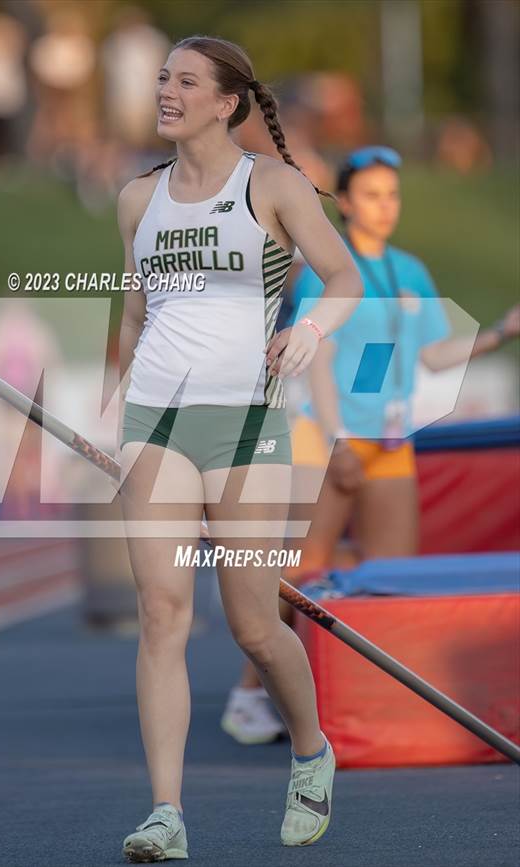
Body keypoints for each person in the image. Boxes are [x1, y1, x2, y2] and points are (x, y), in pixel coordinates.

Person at [115, 36, 362, 861]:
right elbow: (133, 317)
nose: (166, 92)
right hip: (157, 421)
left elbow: (345, 277)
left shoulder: (274, 186)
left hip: (247, 426)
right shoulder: (135, 200)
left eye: (185, 81)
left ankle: (309, 749)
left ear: (227, 102)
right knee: (161, 612)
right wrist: (112, 409)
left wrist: (308, 332)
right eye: (161, 78)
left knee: (254, 625)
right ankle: (164, 812)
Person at [221, 145, 520, 746]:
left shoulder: (409, 270)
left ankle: (378, 699)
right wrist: (338, 441)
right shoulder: (331, 268)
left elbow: (433, 354)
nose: (387, 206)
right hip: (327, 438)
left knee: (392, 575)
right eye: (374, 195)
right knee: (301, 572)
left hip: (389, 441)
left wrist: (499, 334)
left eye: (394, 194)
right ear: (348, 202)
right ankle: (249, 694)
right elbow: (317, 358)